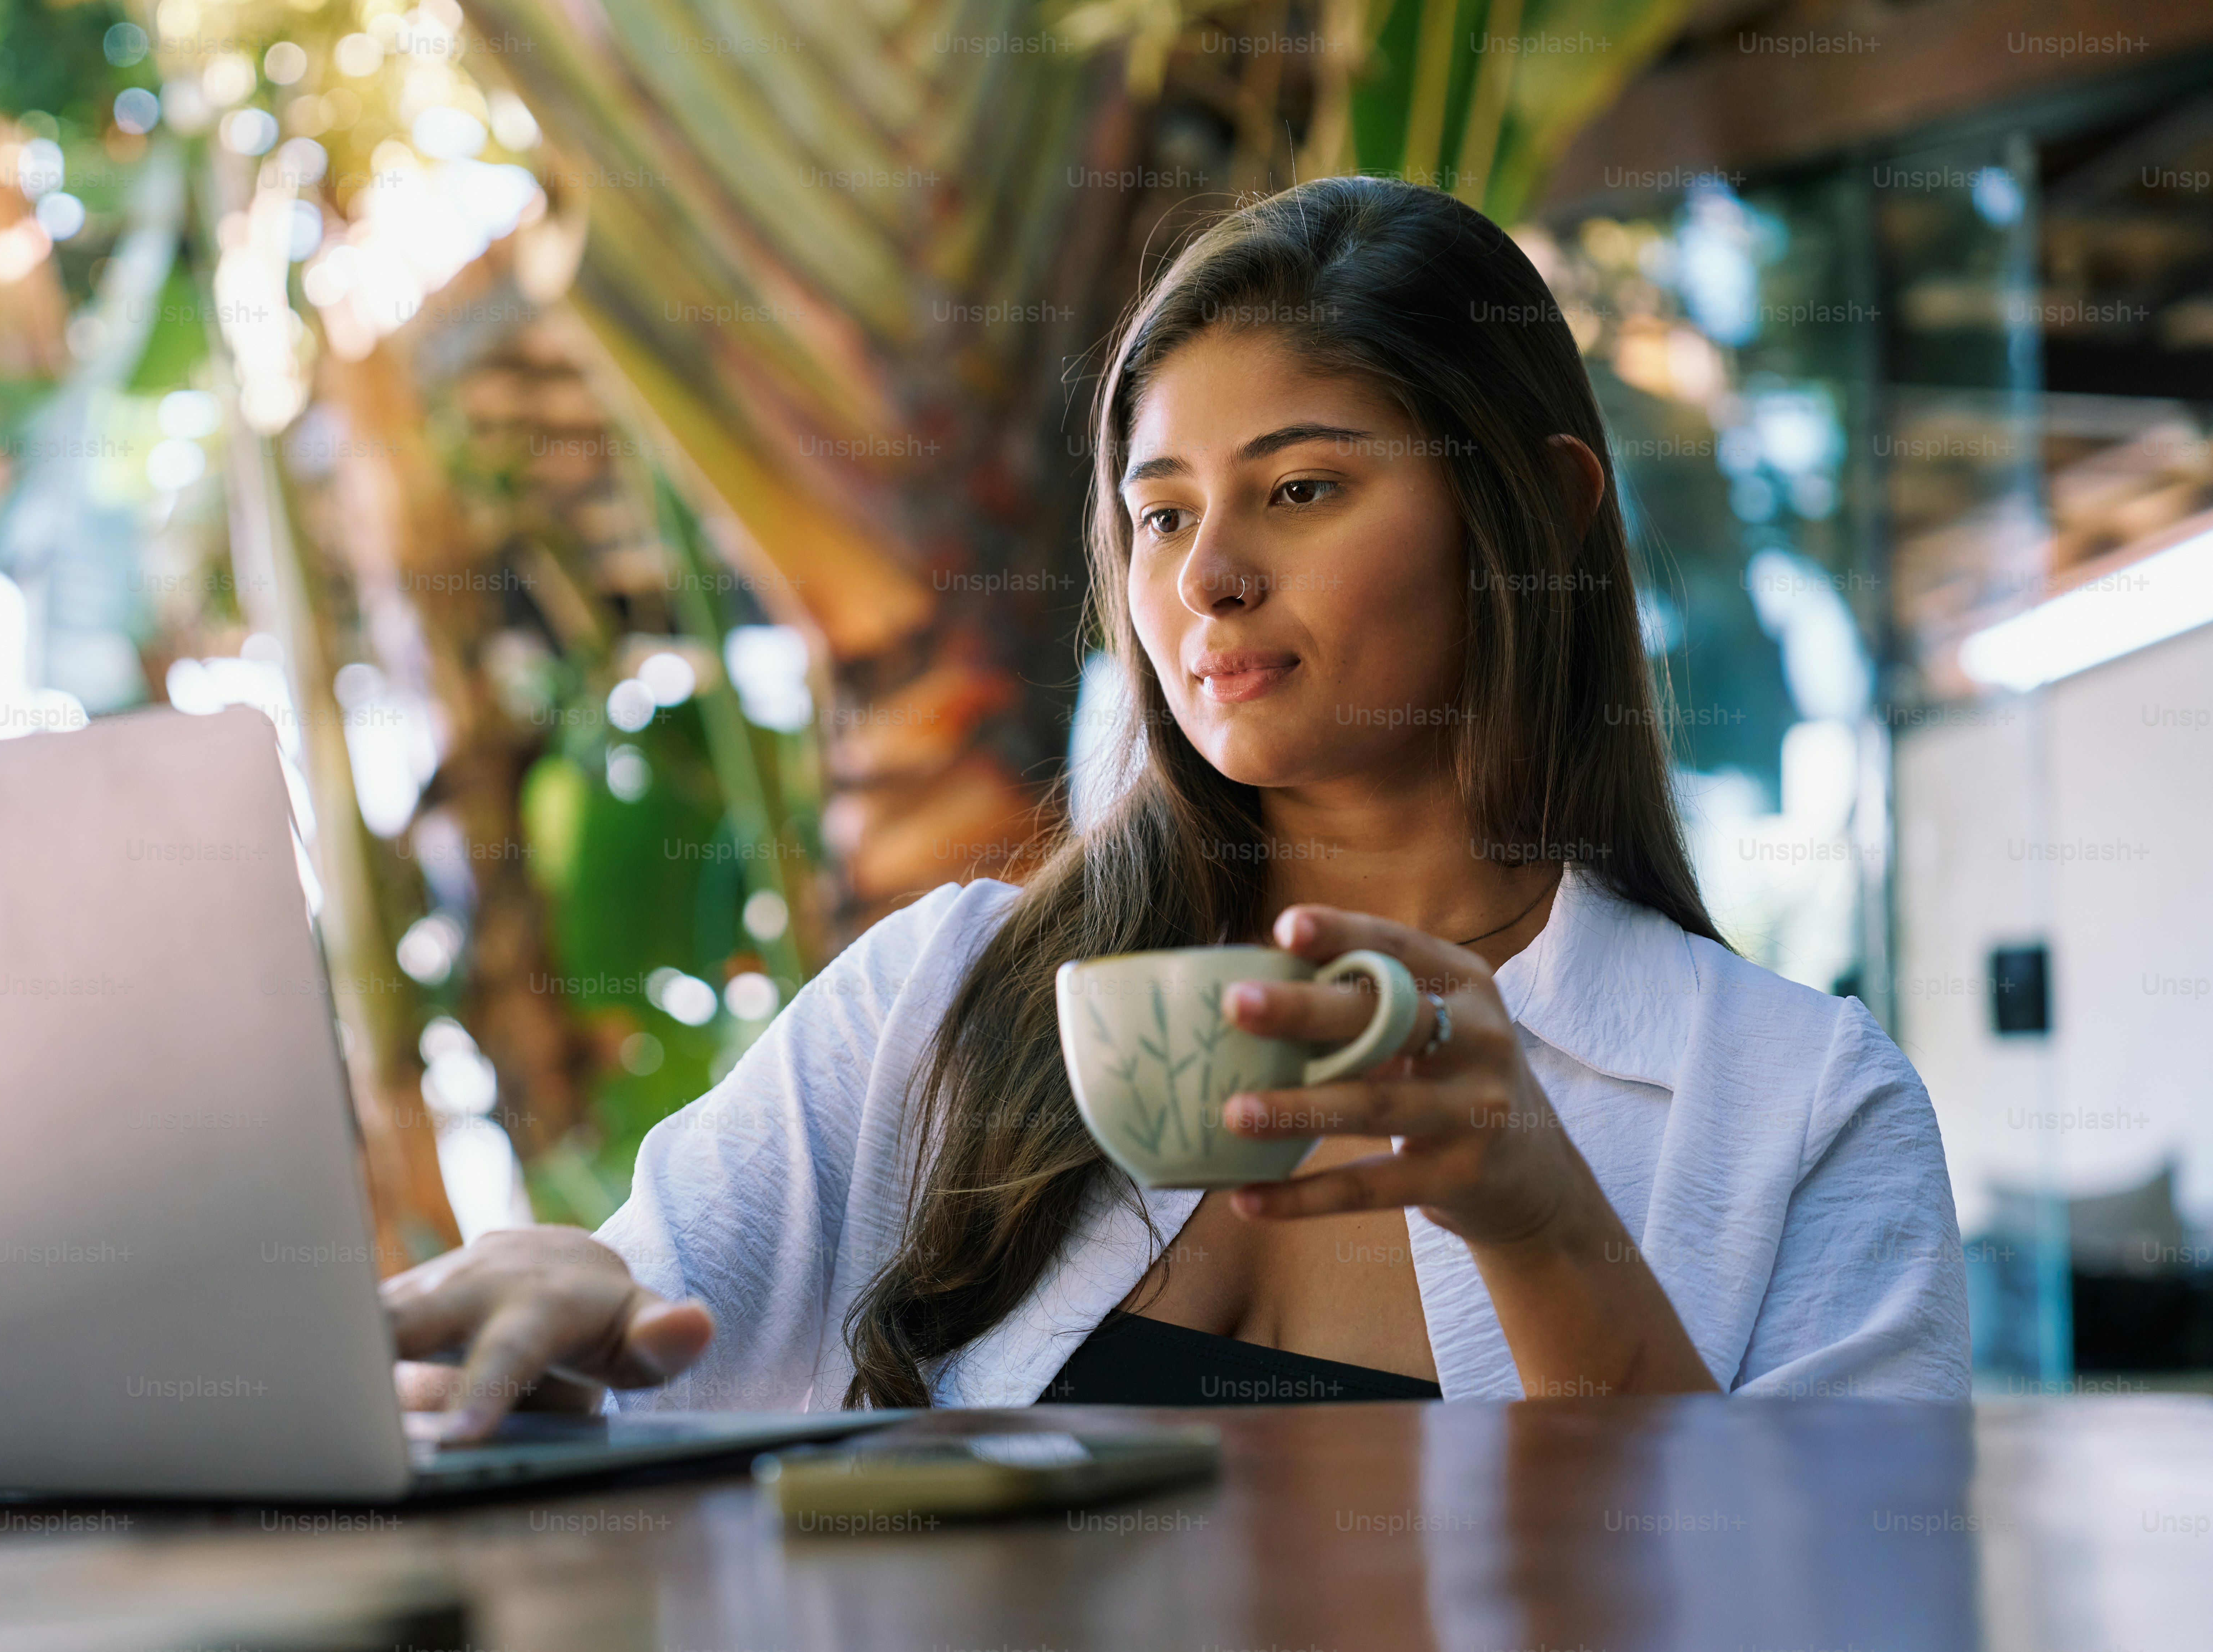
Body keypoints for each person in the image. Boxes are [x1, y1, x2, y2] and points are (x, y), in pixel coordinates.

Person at [385, 177, 1969, 1436]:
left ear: (1540, 508)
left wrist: (1541, 1219)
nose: (1206, 576)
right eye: (1159, 512)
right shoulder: (949, 1001)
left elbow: (1827, 1643)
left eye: (1301, 489)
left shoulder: (1799, 1110)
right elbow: (643, 1305)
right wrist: (559, 1283)